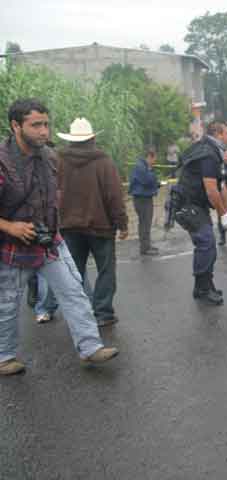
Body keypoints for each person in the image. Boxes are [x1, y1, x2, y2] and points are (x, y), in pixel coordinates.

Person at [0, 98, 118, 375]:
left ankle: (90, 348)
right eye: (36, 125)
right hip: (13, 246)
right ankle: (4, 357)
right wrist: (10, 227)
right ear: (16, 125)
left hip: (49, 240)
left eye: (46, 124)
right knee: (7, 303)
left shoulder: (49, 156)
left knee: (74, 290)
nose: (44, 131)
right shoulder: (2, 162)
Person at [56, 117, 129, 327]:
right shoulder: (103, 161)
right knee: (105, 271)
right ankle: (103, 313)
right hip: (100, 227)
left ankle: (79, 314)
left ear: (70, 139)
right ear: (92, 138)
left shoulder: (58, 161)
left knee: (74, 273)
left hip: (69, 226)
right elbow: (114, 196)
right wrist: (122, 223)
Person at [174, 120, 227, 306]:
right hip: (189, 204)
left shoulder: (214, 151)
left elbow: (221, 186)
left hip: (197, 204)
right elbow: (211, 190)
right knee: (206, 243)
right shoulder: (209, 154)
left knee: (208, 245)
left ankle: (204, 286)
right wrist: (222, 216)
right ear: (218, 134)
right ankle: (203, 289)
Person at [129, 146, 161, 256]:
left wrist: (157, 184)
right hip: (142, 199)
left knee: (145, 223)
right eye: (154, 159)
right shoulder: (141, 167)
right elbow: (148, 180)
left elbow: (149, 181)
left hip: (144, 198)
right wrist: (152, 172)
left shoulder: (142, 166)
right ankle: (145, 248)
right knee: (145, 223)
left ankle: (147, 245)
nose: (154, 162)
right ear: (149, 157)